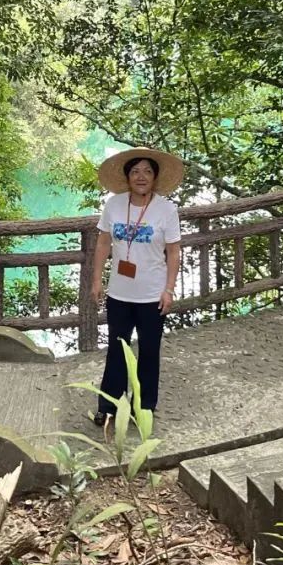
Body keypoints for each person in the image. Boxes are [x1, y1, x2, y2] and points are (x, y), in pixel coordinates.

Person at [90, 148, 182, 426]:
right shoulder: (114, 205)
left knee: (149, 352)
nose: (141, 177)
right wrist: (97, 280)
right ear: (127, 176)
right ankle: (108, 406)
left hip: (152, 295)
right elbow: (103, 243)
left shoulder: (166, 209)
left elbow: (174, 252)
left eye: (147, 171)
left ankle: (143, 408)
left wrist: (169, 290)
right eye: (135, 171)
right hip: (119, 293)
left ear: (155, 177)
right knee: (117, 350)